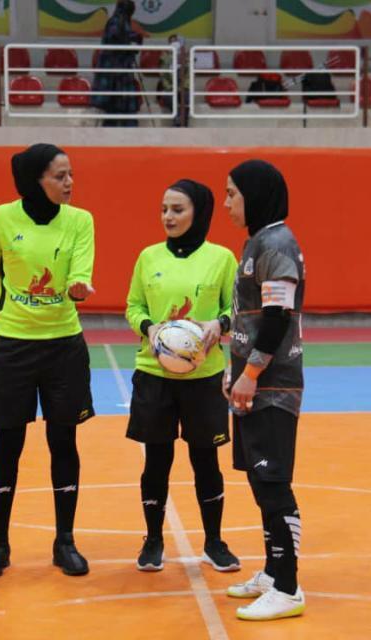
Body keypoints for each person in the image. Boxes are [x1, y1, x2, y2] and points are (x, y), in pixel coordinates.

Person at [0, 143, 95, 579]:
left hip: (64, 347)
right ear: (35, 181)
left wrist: (78, 286)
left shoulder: (80, 220)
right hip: (12, 346)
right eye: (60, 176)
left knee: (64, 443)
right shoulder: (0, 219)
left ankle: (65, 542)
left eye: (71, 174)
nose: (69, 182)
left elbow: (81, 268)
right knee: (7, 446)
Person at [125, 179, 240, 573]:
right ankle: (153, 540)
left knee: (206, 460)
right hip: (154, 374)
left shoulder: (221, 258)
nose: (168, 217)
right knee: (156, 460)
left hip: (204, 377)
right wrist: (149, 327)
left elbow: (237, 308)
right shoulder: (148, 257)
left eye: (177, 209)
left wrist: (220, 323)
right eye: (164, 209)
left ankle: (214, 542)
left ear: (199, 213)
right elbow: (133, 306)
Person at [223, 159, 306, 621]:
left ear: (254, 195)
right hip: (253, 384)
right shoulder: (257, 242)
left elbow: (277, 319)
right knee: (260, 481)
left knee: (274, 484)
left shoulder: (277, 244)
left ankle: (289, 587)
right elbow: (249, 318)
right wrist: (233, 370)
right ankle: (274, 574)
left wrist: (251, 373)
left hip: (274, 387)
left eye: (232, 193)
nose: (227, 203)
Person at [92, 0, 142, 127]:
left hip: (122, 68)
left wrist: (133, 39)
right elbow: (116, 38)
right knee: (113, 102)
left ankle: (127, 127)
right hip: (113, 70)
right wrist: (131, 38)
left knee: (123, 102)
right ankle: (111, 128)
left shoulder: (123, 21)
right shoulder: (115, 22)